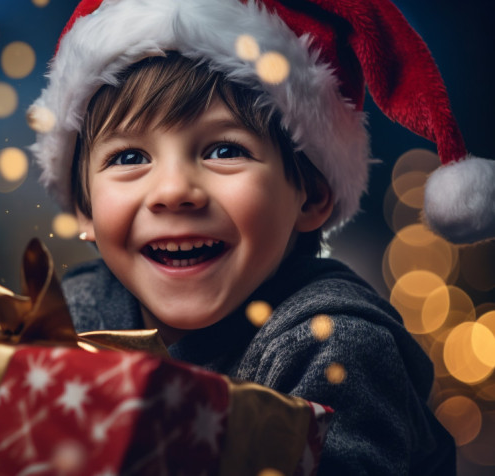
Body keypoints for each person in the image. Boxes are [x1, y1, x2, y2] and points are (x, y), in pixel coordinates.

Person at [27, 0, 495, 474]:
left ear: (311, 196)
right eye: (129, 158)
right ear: (83, 207)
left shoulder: (336, 345)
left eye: (225, 150)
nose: (172, 191)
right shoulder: (69, 316)